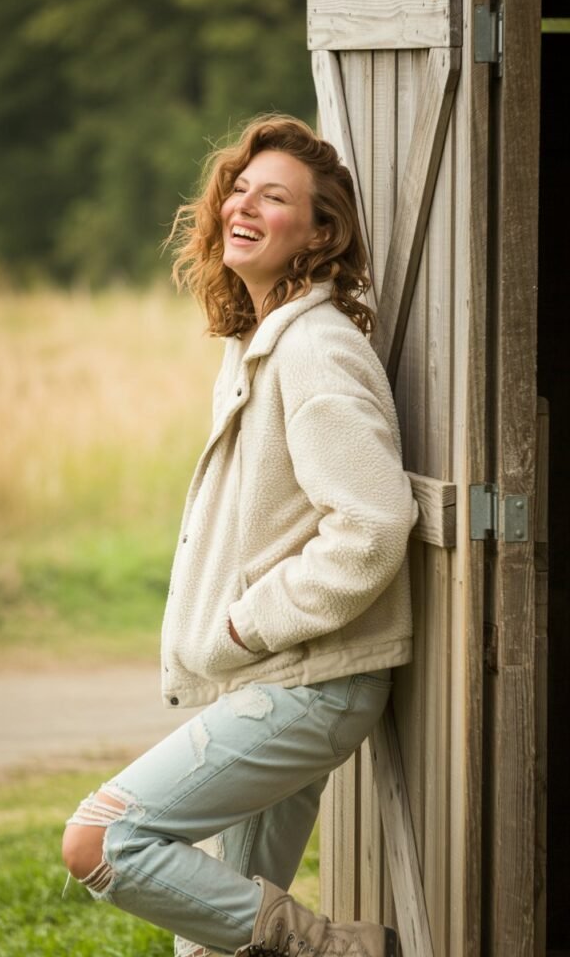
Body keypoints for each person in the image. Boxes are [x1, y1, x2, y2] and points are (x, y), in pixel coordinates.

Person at [62, 115, 418, 957]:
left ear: (319, 233)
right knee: (218, 942)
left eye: (276, 197)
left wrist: (242, 624)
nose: (242, 207)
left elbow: (372, 526)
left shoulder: (316, 352)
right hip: (276, 679)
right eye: (239, 189)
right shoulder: (264, 342)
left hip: (305, 687)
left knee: (103, 840)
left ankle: (342, 953)